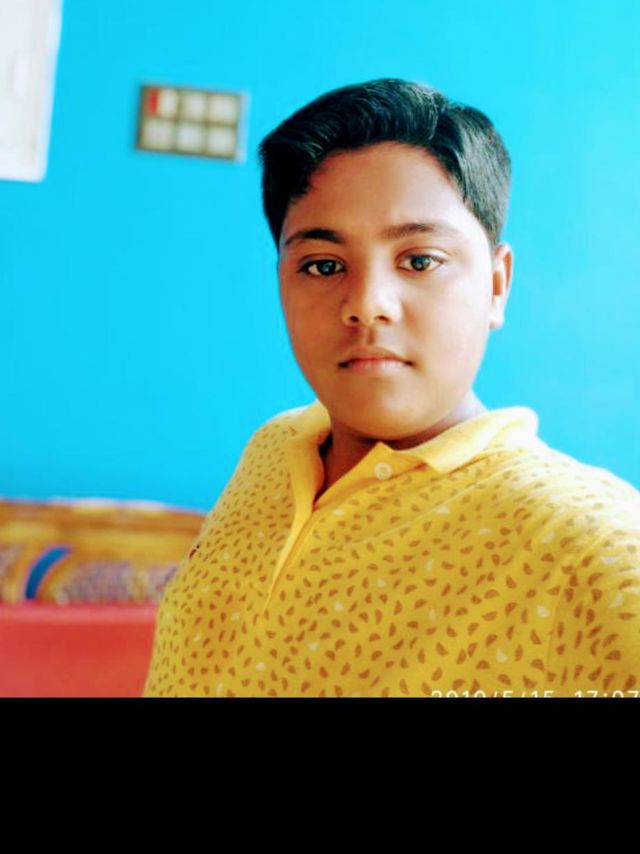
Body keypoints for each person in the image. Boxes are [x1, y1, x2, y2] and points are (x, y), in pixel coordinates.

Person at [143, 78, 640, 698]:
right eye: (323, 265)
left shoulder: (590, 540)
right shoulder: (275, 450)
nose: (367, 304)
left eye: (420, 260)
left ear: (496, 285)